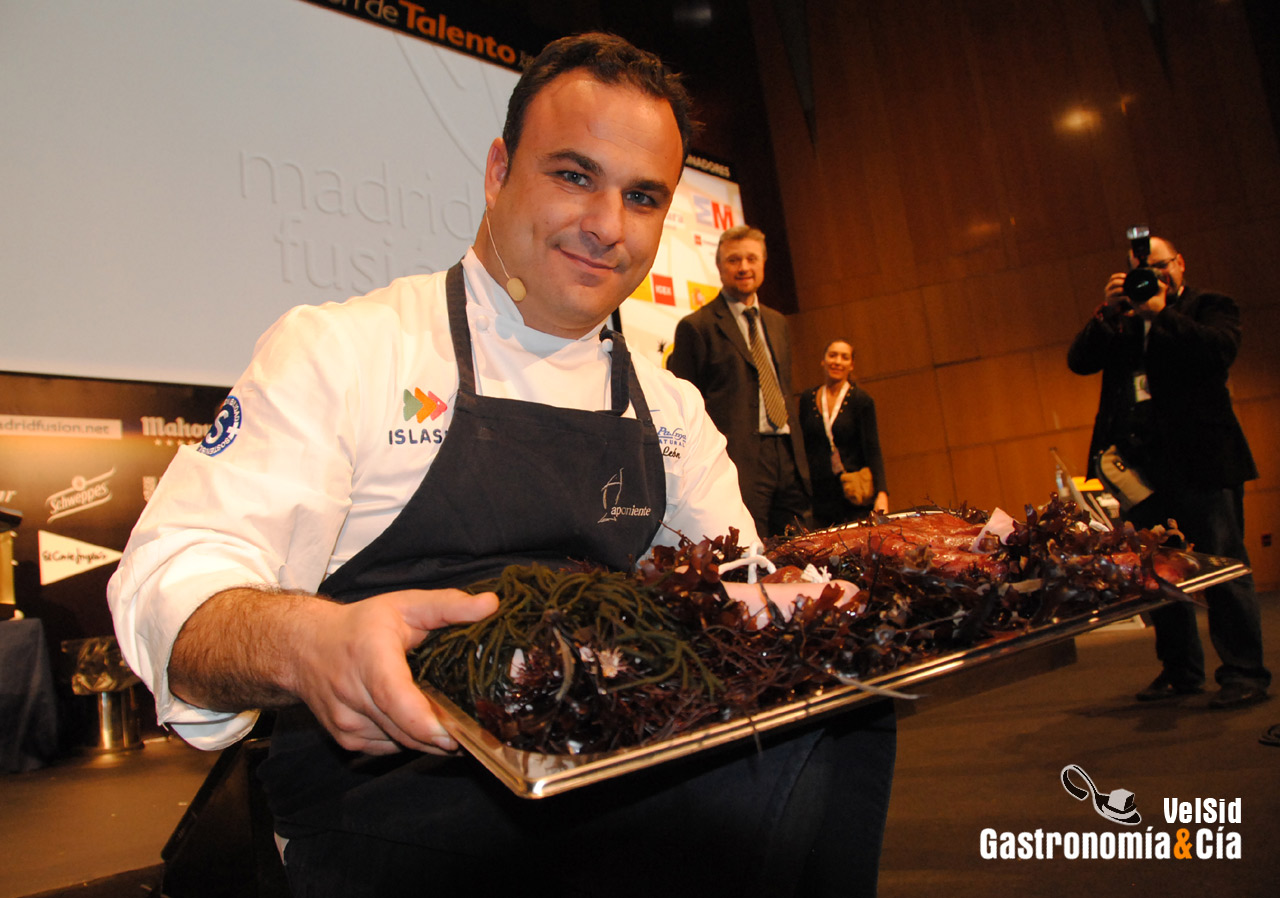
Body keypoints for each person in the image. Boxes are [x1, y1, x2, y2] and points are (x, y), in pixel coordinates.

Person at [108, 33, 895, 896]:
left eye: (641, 196)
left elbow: (746, 594)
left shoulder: (669, 409)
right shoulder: (346, 352)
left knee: (834, 725)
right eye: (573, 175)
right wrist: (311, 643)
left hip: (613, 760)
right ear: (497, 171)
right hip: (390, 797)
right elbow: (174, 580)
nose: (605, 225)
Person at [1067, 234, 1270, 710]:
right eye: (1142, 272)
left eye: (1160, 268)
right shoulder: (1122, 320)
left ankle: (1243, 672)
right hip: (1142, 470)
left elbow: (1218, 351)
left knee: (1223, 567)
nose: (1151, 279)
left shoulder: (1209, 306)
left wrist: (1161, 314)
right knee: (1157, 575)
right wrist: (1108, 312)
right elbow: (1080, 361)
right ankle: (1180, 671)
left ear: (1180, 264)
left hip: (1203, 461)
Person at [667, 225, 811, 538]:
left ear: (763, 263)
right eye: (734, 260)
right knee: (749, 545)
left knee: (803, 545)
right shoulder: (696, 327)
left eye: (751, 259)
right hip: (737, 460)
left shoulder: (778, 322)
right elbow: (684, 409)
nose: (744, 267)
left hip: (787, 454)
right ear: (719, 268)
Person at [798, 339, 889, 526]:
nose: (837, 361)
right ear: (823, 361)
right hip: (819, 496)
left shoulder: (861, 400)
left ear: (851, 365)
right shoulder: (808, 398)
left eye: (844, 357)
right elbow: (803, 446)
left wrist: (882, 493)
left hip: (854, 494)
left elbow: (872, 448)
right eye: (832, 355)